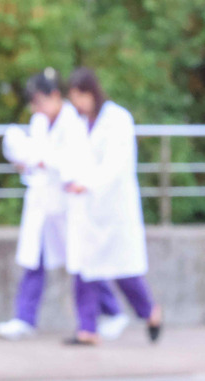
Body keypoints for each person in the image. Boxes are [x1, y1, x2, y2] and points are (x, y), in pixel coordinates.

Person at [0, 68, 128, 340]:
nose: (36, 108)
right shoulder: (39, 122)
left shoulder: (74, 121)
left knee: (82, 264)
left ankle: (113, 312)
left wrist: (45, 160)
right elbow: (34, 156)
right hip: (44, 204)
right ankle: (24, 318)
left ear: (55, 96)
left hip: (70, 204)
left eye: (39, 102)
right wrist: (28, 163)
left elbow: (76, 160)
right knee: (35, 260)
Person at [64, 67, 162, 345]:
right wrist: (72, 180)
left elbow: (116, 164)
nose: (77, 104)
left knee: (124, 273)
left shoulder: (118, 119)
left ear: (91, 92)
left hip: (113, 208)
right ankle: (87, 329)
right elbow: (71, 155)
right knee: (84, 269)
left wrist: (88, 183)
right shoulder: (79, 122)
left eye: (79, 97)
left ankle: (150, 312)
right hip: (87, 209)